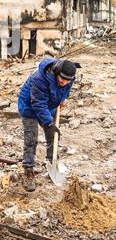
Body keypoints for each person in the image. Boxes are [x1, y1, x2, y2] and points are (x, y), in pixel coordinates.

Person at [18, 58, 78, 192]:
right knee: (31, 139)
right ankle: (28, 170)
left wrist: (63, 99)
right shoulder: (40, 78)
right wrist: (48, 123)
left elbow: (65, 90)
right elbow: (38, 104)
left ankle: (52, 163)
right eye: (62, 79)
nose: (65, 82)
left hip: (49, 105)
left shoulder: (69, 77)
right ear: (56, 72)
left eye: (68, 80)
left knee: (53, 135)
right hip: (29, 106)